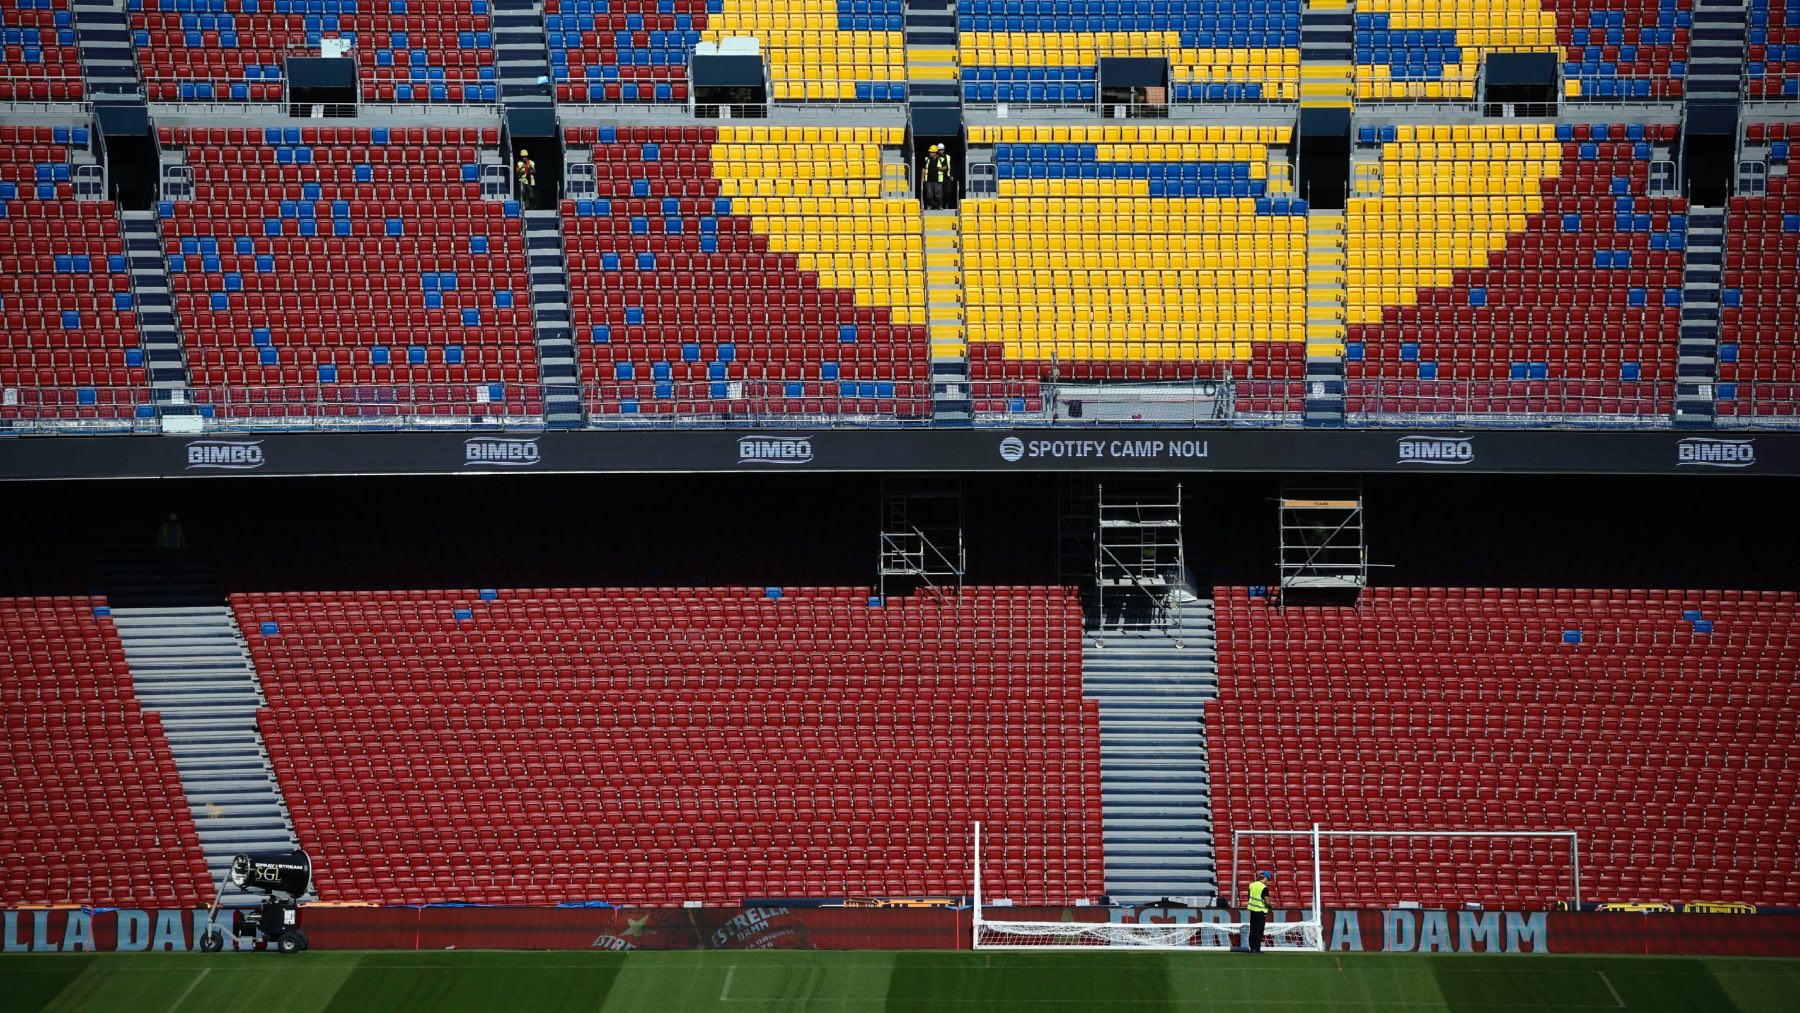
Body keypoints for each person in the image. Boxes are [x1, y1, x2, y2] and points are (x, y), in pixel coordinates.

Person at [1246, 870, 1273, 953]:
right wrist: (1271, 906)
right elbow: (1267, 902)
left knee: (1253, 929)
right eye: (1268, 879)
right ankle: (1256, 949)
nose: (1268, 881)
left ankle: (1251, 948)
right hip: (1261, 911)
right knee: (1259, 930)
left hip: (1252, 910)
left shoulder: (1252, 885)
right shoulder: (1264, 888)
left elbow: (1249, 897)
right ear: (1265, 878)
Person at [920, 143, 953, 210]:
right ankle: (929, 206)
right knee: (929, 195)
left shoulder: (941, 159)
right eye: (929, 152)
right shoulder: (926, 159)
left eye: (931, 152)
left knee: (938, 195)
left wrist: (939, 168)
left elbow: (945, 167)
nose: (930, 153)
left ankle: (939, 206)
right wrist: (922, 178)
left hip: (937, 181)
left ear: (935, 153)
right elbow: (923, 169)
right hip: (928, 181)